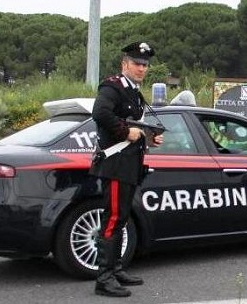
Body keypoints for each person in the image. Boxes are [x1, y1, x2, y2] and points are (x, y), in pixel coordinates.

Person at [89, 41, 164, 297]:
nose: (142, 68)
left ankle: (116, 268)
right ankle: (104, 278)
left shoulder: (134, 92)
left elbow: (135, 125)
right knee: (111, 220)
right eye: (137, 64)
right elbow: (100, 113)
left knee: (120, 219)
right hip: (115, 164)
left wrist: (148, 137)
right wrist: (125, 131)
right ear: (125, 65)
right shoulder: (113, 86)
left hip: (130, 165)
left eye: (145, 65)